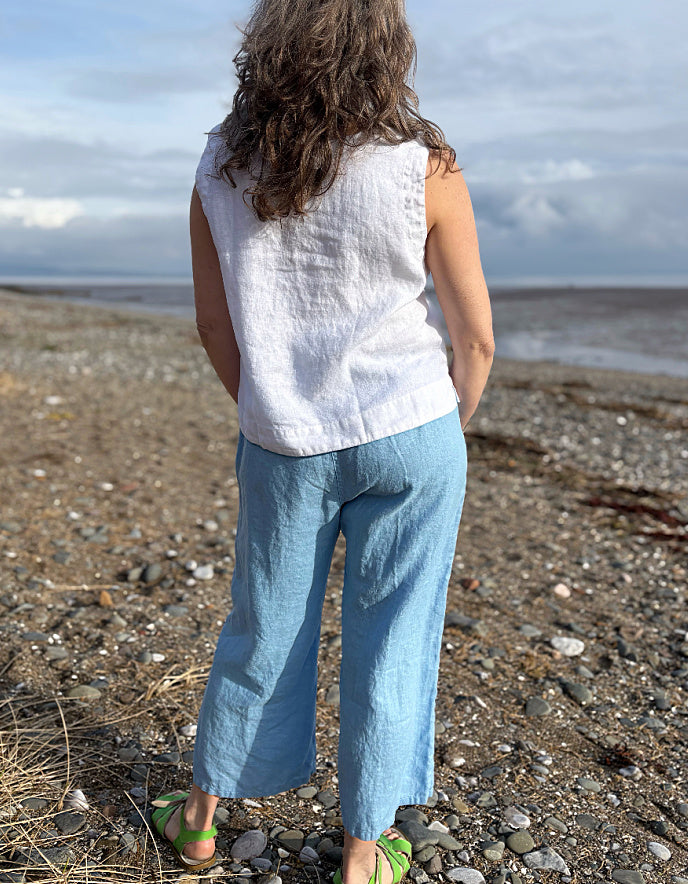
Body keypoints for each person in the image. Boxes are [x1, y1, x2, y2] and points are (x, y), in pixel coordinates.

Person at [152, 0, 494, 881]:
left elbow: (213, 326)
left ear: (265, 49)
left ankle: (197, 824)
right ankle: (361, 852)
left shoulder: (220, 166)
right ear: (385, 49)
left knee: (263, 628)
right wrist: (441, 430)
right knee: (394, 638)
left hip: (284, 441)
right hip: (412, 431)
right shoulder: (426, 166)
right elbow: (476, 337)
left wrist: (269, 410)